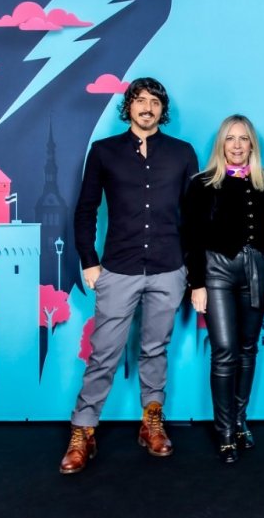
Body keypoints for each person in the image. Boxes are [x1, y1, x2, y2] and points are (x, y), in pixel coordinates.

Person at [61, 77, 198, 474]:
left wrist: (193, 271)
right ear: (129, 107)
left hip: (169, 268)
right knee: (104, 352)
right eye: (140, 100)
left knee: (155, 349)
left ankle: (151, 422)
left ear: (162, 109)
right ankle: (83, 431)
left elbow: (194, 217)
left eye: (154, 101)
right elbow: (85, 210)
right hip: (118, 269)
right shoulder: (104, 152)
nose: (147, 107)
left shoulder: (182, 153)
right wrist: (89, 261)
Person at [183, 114, 264, 463]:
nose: (237, 145)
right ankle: (224, 430)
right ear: (221, 144)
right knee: (225, 349)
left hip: (257, 271)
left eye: (243, 138)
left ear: (252, 144)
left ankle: (239, 420)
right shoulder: (202, 183)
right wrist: (197, 283)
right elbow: (191, 236)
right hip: (217, 272)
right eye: (230, 138)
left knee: (248, 348)